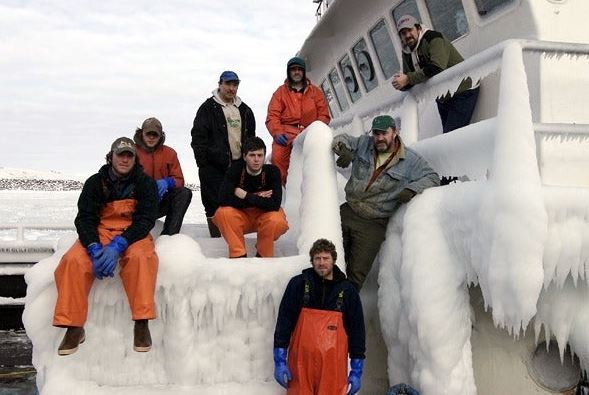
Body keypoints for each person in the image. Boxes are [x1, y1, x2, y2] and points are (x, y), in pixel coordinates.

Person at [53, 137, 159, 356]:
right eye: (120, 155)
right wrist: (93, 246)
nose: (124, 159)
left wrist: (119, 245)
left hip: (132, 233)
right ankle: (73, 326)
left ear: (134, 159)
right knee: (73, 260)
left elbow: (146, 219)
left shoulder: (144, 183)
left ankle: (141, 322)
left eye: (129, 156)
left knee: (142, 258)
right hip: (100, 231)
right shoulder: (95, 182)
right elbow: (85, 218)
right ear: (111, 157)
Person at [332, 115, 439, 290]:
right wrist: (342, 149)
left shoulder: (411, 160)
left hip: (373, 224)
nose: (379, 138)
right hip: (348, 211)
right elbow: (340, 138)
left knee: (355, 276)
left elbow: (432, 177)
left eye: (384, 133)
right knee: (327, 259)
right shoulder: (365, 143)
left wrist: (412, 189)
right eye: (376, 133)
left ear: (395, 132)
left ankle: (340, 313)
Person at [273, 238, 365, 394]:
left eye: (325, 258)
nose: (321, 262)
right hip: (301, 365)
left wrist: (357, 370)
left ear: (333, 260)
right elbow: (284, 323)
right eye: (317, 258)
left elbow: (357, 331)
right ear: (312, 261)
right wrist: (279, 360)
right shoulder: (298, 285)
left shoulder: (348, 291)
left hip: (333, 368)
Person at [191, 70, 256, 237]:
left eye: (235, 85)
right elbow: (198, 137)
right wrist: (203, 164)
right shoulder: (207, 108)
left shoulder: (245, 110)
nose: (231, 88)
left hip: (238, 164)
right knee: (212, 202)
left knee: (235, 200)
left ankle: (233, 236)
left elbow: (251, 138)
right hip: (213, 164)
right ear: (220, 84)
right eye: (228, 84)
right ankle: (215, 238)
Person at [391, 15, 479, 134]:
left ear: (417, 28)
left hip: (462, 90)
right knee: (447, 136)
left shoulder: (433, 38)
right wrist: (401, 83)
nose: (407, 35)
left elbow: (437, 67)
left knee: (451, 136)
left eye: (410, 30)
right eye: (403, 33)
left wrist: (407, 79)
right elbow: (409, 78)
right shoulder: (407, 50)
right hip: (442, 96)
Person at [213, 137, 288, 258]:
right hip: (242, 217)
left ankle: (264, 253)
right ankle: (238, 254)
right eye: (252, 155)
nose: (256, 160)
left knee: (277, 220)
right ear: (244, 156)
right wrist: (259, 198)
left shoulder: (272, 171)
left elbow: (274, 204)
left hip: (264, 217)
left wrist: (247, 195)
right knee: (223, 213)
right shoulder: (235, 169)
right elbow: (223, 199)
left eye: (260, 155)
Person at [266, 56, 331, 185]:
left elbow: (324, 115)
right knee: (277, 158)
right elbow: (272, 116)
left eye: (299, 69)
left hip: (309, 131)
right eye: (293, 69)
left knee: (318, 156)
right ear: (288, 72)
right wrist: (277, 132)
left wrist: (316, 130)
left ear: (304, 72)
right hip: (286, 132)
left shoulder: (316, 92)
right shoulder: (280, 93)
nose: (296, 72)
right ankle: (289, 188)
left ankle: (314, 186)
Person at [134, 117, 192, 235]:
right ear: (141, 134)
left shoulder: (170, 153)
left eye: (154, 134)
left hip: (160, 201)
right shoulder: (131, 152)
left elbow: (179, 180)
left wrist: (167, 182)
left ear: (161, 136)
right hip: (137, 203)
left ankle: (169, 236)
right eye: (148, 134)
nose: (151, 137)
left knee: (184, 193)